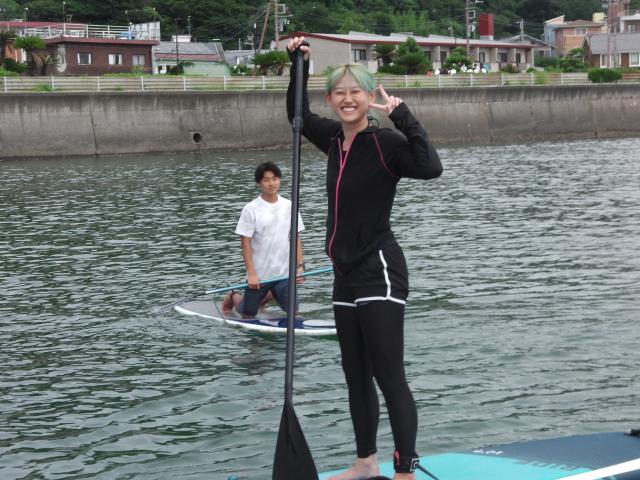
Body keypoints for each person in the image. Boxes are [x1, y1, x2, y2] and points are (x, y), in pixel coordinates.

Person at [286, 37, 443, 480]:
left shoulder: (385, 143)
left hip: (380, 271)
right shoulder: (333, 140)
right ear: (330, 99)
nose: (348, 99)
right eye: (339, 92)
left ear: (370, 97)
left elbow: (430, 167)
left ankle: (405, 470)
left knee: (389, 375)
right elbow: (297, 117)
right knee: (355, 375)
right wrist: (299, 63)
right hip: (345, 273)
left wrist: (402, 115)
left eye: (356, 91)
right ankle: (366, 463)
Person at [220, 161, 305, 318]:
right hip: (259, 275)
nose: (271, 183)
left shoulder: (290, 206)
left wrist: (300, 266)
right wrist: (252, 274)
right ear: (259, 183)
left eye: (275, 179)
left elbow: (296, 237)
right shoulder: (251, 209)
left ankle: (269, 294)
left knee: (293, 313)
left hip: (283, 274)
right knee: (248, 314)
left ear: (279, 180)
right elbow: (245, 242)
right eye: (266, 180)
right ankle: (233, 296)